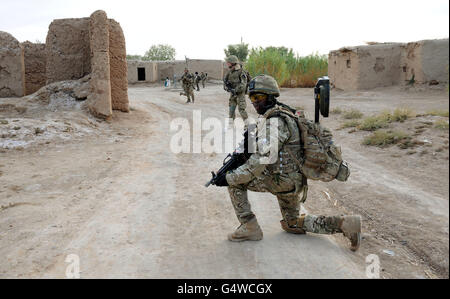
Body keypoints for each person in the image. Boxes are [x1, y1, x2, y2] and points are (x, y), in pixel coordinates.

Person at [213, 74, 361, 251]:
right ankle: (345, 224)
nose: (254, 102)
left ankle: (249, 227)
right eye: (252, 97)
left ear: (270, 96)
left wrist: (229, 178)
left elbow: (261, 160)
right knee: (291, 223)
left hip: (281, 181)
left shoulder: (274, 123)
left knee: (234, 181)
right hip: (294, 182)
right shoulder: (285, 113)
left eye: (258, 97)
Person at [224, 55, 249, 126]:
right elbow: (225, 82)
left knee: (241, 110)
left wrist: (235, 90)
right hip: (232, 94)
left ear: (233, 62)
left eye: (228, 62)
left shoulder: (241, 71)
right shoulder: (230, 72)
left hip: (240, 94)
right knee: (231, 110)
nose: (227, 64)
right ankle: (231, 125)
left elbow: (243, 84)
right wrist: (227, 87)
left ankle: (247, 125)